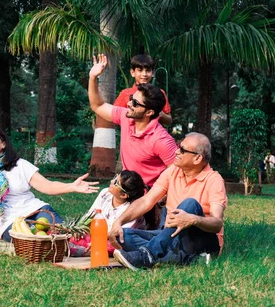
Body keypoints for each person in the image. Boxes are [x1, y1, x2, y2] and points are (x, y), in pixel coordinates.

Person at [109, 132, 227, 270]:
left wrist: (193, 219)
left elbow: (217, 223)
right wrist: (119, 221)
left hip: (201, 241)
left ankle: (148, 255)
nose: (176, 151)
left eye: (182, 150)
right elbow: (146, 201)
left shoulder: (214, 180)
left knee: (190, 204)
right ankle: (188, 260)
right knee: (123, 235)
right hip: (170, 237)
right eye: (178, 146)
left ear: (197, 158)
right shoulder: (172, 171)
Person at [0, 127, 100, 242]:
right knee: (33, 241)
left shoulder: (20, 165)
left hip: (36, 210)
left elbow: (47, 185)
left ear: (3, 144)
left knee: (64, 236)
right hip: (10, 222)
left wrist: (72, 186)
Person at [88, 54, 177, 187]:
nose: (129, 104)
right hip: (129, 185)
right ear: (132, 72)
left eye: (135, 102)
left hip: (150, 192)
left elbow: (177, 172)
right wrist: (93, 77)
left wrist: (159, 196)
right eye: (131, 100)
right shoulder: (125, 115)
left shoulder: (162, 140)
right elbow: (98, 106)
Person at [69, 170, 147, 257]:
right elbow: (90, 215)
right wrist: (80, 230)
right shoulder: (105, 193)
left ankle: (84, 250)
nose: (111, 181)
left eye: (116, 182)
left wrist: (99, 241)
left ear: (123, 195)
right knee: (71, 235)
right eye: (115, 177)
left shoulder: (132, 210)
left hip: (115, 239)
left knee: (115, 245)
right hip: (96, 236)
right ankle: (85, 248)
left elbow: (118, 235)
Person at [114, 54, 172, 126]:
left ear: (153, 72)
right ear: (132, 72)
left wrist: (159, 113)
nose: (144, 74)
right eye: (140, 70)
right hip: (131, 135)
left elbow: (169, 120)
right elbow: (114, 116)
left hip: (154, 135)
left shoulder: (159, 93)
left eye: (148, 71)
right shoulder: (125, 93)